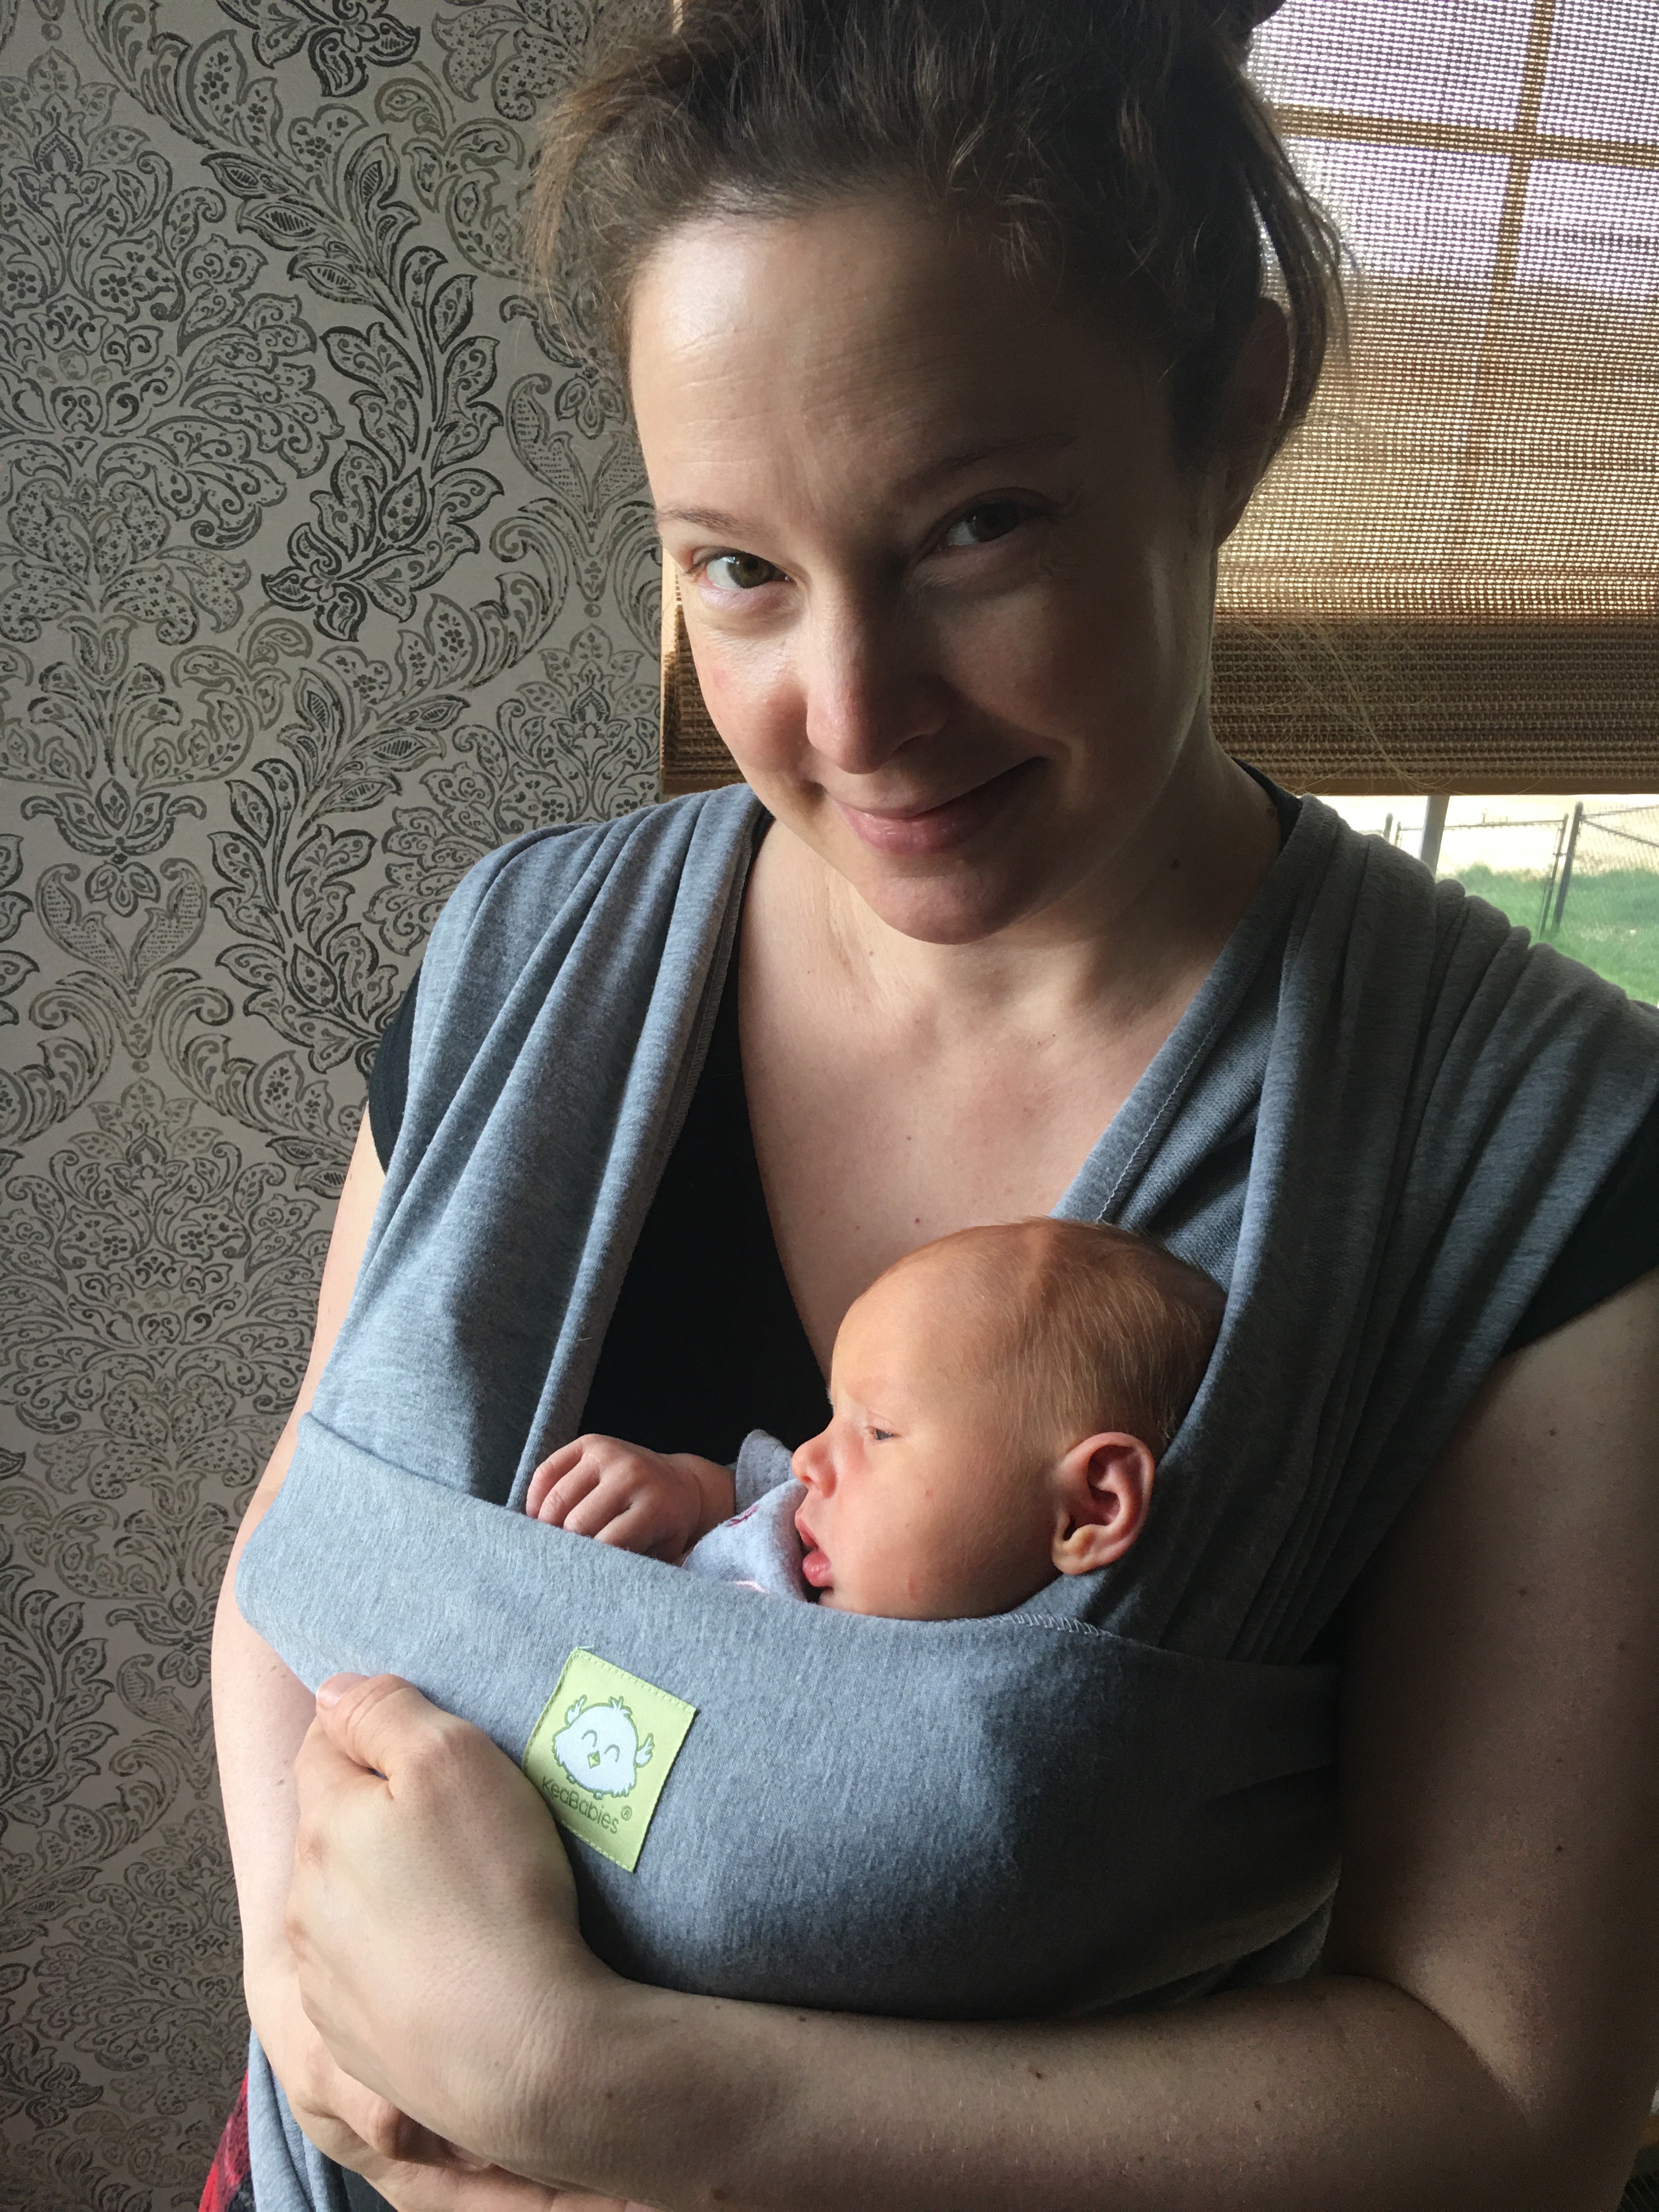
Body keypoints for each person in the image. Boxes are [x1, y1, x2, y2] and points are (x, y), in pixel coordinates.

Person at [208, 2, 1659, 2209]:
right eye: (739, 569)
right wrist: (310, 2014)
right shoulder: (521, 955)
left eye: (977, 529)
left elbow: (1504, 2105)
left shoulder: (1526, 1159)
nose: (853, 713)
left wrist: (627, 2097)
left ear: (1233, 415)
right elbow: (298, 1563)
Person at [524, 1218, 1223, 1620]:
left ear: (1091, 1504)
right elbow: (736, 1495)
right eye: (834, 1416)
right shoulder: (802, 1516)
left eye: (881, 1431)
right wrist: (677, 1489)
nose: (808, 1459)